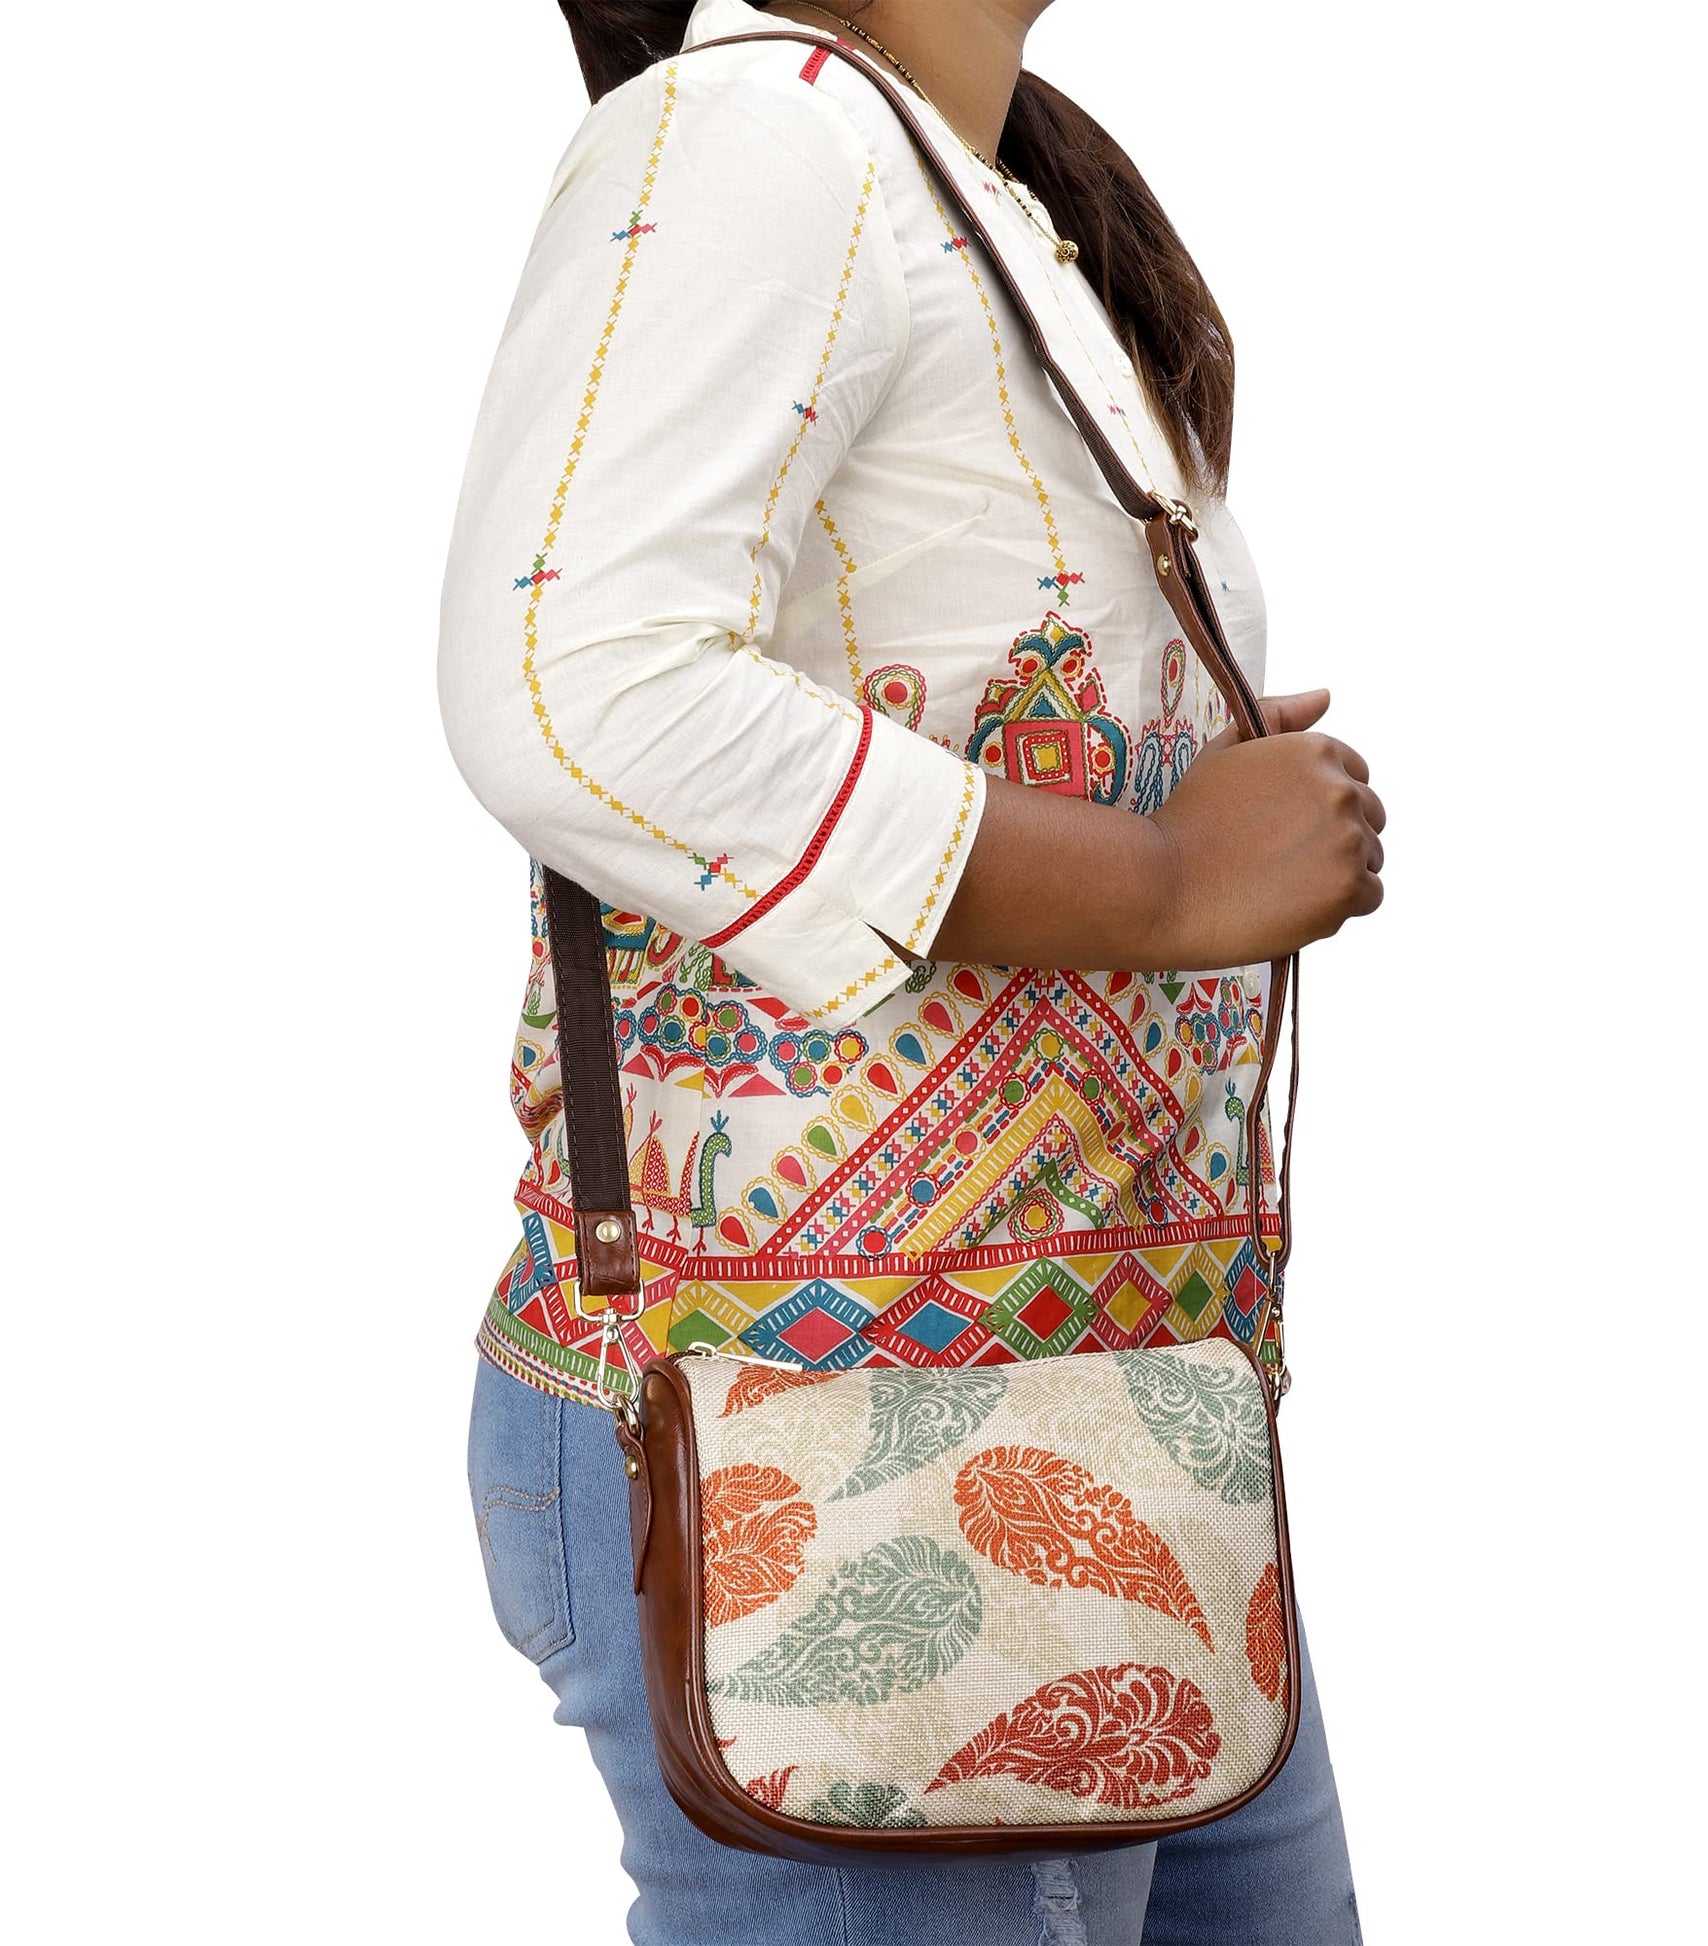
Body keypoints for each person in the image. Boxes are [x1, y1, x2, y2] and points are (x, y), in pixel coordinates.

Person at [437, 2, 1384, 1939]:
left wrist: (1174, 780)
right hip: (835, 1426)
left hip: (1107, 1412)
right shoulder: (758, 130)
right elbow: (572, 689)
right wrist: (1156, 877)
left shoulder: (969, 184)